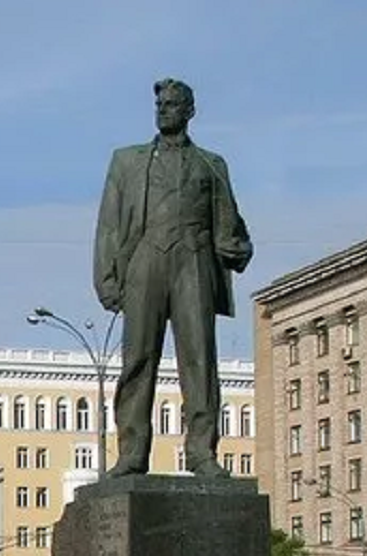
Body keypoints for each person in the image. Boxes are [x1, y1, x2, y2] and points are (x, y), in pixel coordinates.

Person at [93, 77, 253, 477]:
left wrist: (236, 246)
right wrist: (107, 277)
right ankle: (132, 453)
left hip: (194, 262)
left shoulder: (211, 165)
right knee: (138, 359)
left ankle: (202, 452)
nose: (164, 109)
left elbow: (229, 220)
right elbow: (109, 224)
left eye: (172, 104)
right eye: (160, 104)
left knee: (199, 359)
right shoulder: (127, 161)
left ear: (189, 111)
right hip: (144, 259)